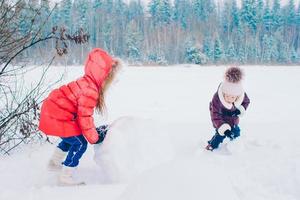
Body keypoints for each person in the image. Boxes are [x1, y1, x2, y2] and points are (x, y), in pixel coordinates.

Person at [39, 48, 120, 185]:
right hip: (58, 115)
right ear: (103, 75)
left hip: (53, 112)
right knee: (80, 143)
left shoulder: (86, 82)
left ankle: (54, 162)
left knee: (71, 138)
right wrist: (94, 138)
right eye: (109, 77)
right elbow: (84, 118)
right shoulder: (90, 90)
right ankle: (65, 177)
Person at [206, 66, 250, 151]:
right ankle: (212, 145)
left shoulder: (241, 94)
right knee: (220, 135)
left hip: (234, 121)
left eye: (233, 97)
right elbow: (215, 115)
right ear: (223, 93)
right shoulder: (217, 98)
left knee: (236, 133)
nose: (230, 99)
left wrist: (240, 109)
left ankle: (235, 146)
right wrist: (223, 128)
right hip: (220, 120)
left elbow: (246, 102)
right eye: (227, 96)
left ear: (237, 96)